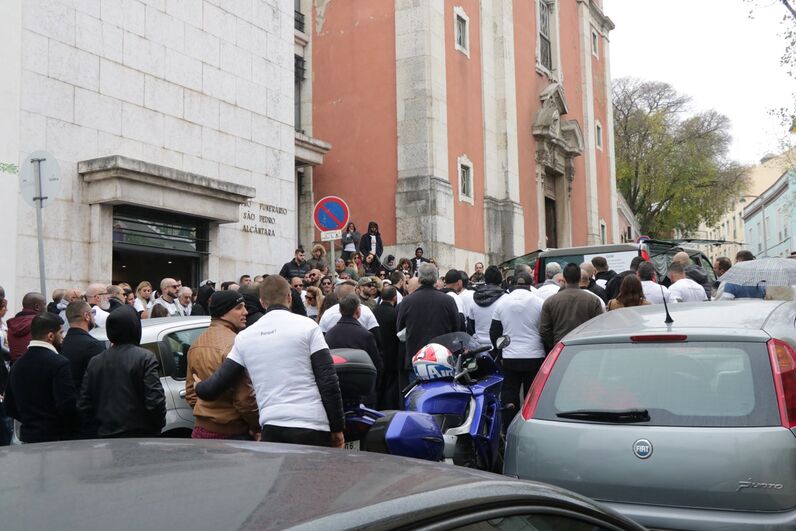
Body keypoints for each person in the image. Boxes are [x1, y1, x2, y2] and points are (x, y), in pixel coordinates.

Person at [195, 275, 345, 448]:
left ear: (262, 302)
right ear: (289, 297)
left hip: (272, 427)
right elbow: (328, 380)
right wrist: (337, 428)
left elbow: (217, 384)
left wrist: (199, 386)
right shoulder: (308, 326)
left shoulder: (245, 337)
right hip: (312, 424)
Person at [79, 305, 166, 437]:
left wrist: (96, 430)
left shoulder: (95, 361)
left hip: (106, 435)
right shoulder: (145, 358)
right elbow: (155, 401)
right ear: (135, 327)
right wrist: (156, 427)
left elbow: (85, 404)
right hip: (140, 435)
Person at [185, 291, 259, 440]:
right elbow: (244, 399)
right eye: (239, 307)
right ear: (224, 312)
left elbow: (191, 393)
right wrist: (256, 427)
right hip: (233, 433)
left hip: (201, 431)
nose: (245, 312)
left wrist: (207, 414)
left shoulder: (196, 344)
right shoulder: (236, 344)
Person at [4, 313, 79, 442]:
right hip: (57, 438)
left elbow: (9, 406)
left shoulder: (17, 365)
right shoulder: (59, 363)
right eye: (60, 333)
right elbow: (67, 405)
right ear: (50, 336)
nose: (63, 337)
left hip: (29, 437)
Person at [490, 271, 545, 431]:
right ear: (531, 284)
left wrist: (500, 351)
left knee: (509, 395)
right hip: (535, 355)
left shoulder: (502, 302)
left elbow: (494, 331)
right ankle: (531, 427)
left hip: (510, 356)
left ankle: (508, 428)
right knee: (532, 396)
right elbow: (545, 328)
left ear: (512, 283)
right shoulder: (539, 302)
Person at [397, 263, 460, 389]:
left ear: (419, 279)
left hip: (417, 359)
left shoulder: (407, 301)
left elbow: (399, 329)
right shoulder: (448, 300)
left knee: (417, 396)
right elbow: (456, 328)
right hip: (442, 360)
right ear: (436, 279)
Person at [324, 294, 382, 406]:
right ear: (358, 311)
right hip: (362, 392)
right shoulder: (365, 335)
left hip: (337, 391)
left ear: (340, 310)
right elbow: (377, 364)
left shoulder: (329, 335)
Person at [540, 263, 604, 351]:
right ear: (579, 278)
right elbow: (599, 326)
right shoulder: (593, 300)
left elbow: (544, 330)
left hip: (561, 347)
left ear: (564, 278)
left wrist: (554, 344)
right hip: (586, 346)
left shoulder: (550, 301)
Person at [60, 301, 105, 394]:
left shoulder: (62, 343)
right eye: (93, 313)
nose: (94, 317)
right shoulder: (93, 346)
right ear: (87, 316)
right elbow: (100, 381)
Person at [373, 285, 400, 410]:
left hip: (376, 354)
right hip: (392, 356)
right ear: (394, 298)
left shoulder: (373, 312)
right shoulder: (395, 314)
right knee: (390, 387)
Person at [467, 266, 505, 347]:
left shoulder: (474, 300)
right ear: (500, 280)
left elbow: (470, 326)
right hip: (499, 345)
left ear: (485, 279)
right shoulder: (505, 299)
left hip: (479, 346)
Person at [7, 291, 46, 363]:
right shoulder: (40, 323)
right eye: (44, 304)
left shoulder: (12, 325)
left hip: (16, 367)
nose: (46, 308)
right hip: (38, 366)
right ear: (37, 307)